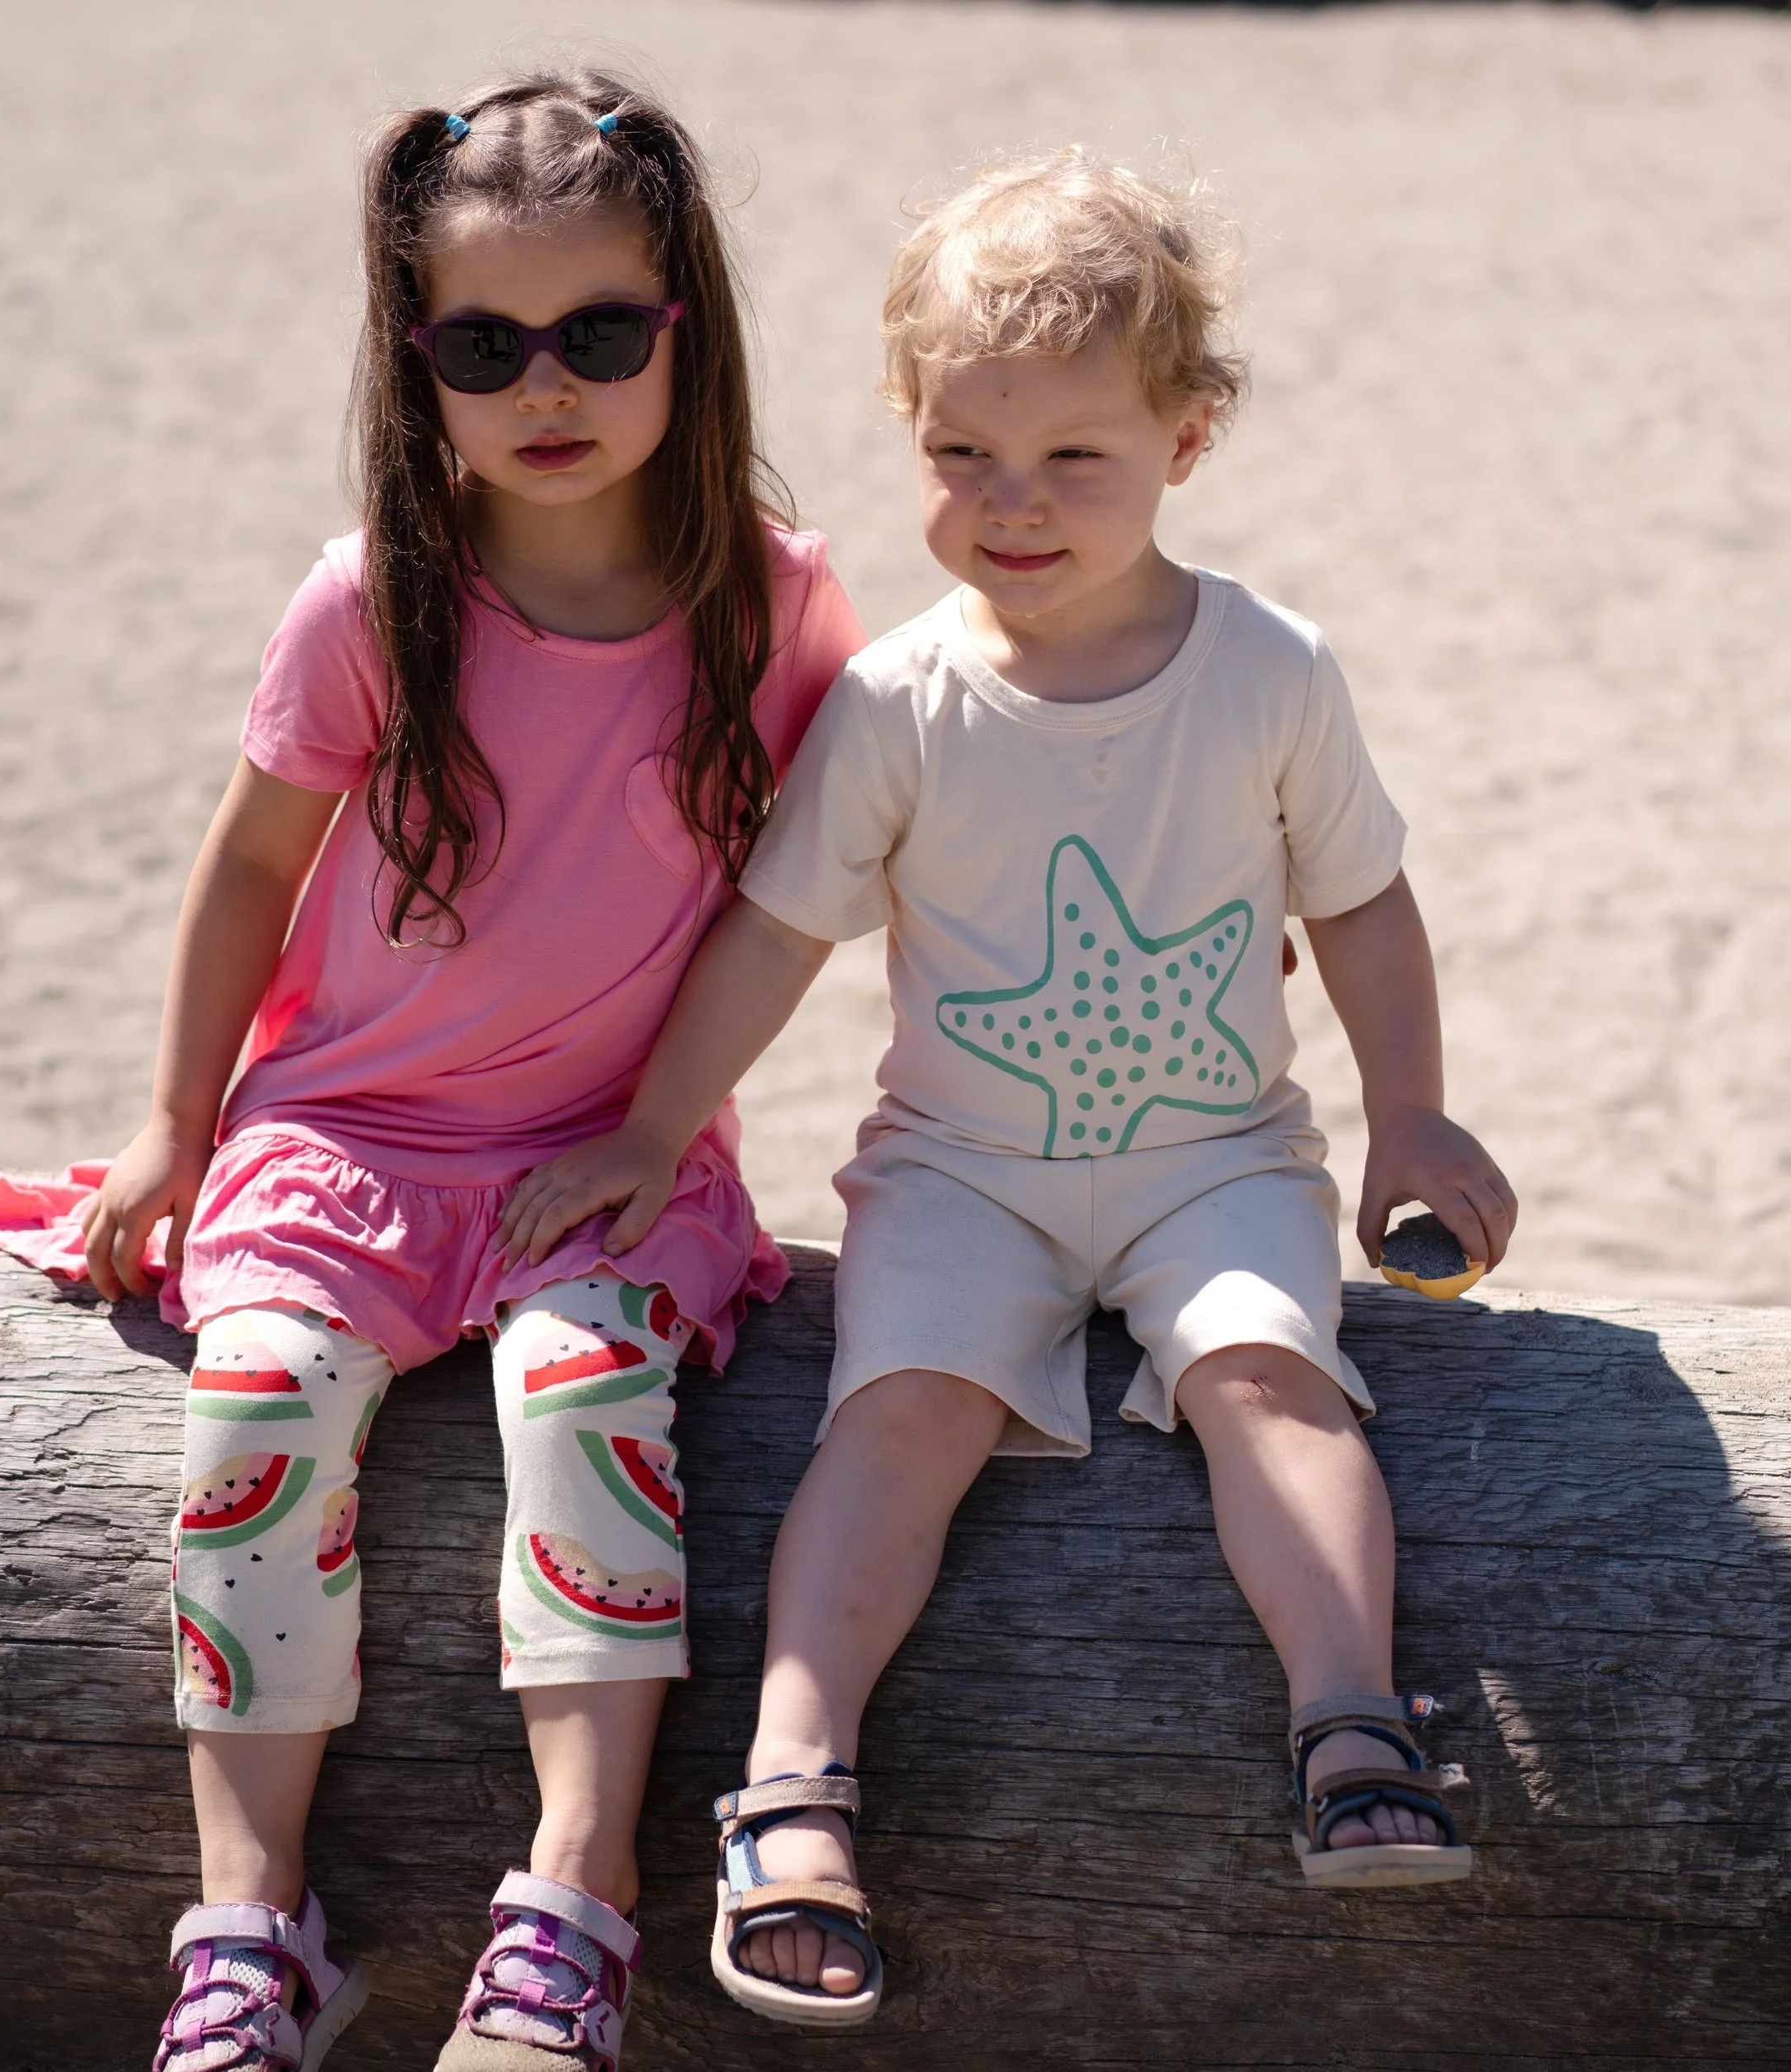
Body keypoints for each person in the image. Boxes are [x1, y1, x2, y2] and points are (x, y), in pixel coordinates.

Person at [496, 148, 1518, 2028]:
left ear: (1185, 440)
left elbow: (1361, 901)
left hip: (1215, 1159)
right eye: (963, 455)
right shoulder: (894, 701)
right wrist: (650, 1128)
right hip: (960, 1168)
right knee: (897, 1421)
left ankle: (1351, 1721)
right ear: (909, 431)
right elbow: (772, 937)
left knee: (1266, 1382)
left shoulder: (1269, 671)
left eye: (1073, 460)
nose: (1012, 507)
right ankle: (789, 1784)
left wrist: (1411, 1113)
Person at [78, 70, 865, 2072]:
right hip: (345, 1138)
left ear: (681, 328)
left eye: (601, 334)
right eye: (481, 342)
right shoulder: (371, 597)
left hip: (608, 1153)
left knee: (584, 1403)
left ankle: (574, 1907)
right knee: (250, 1419)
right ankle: (250, 1932)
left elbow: (881, 838)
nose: (548, 382)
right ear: (409, 353)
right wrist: (177, 1123)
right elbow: (251, 861)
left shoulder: (769, 607)